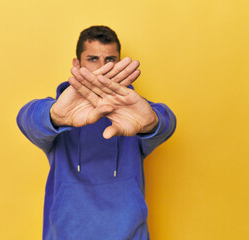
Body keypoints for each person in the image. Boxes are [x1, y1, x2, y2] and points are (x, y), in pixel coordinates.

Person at [16, 26, 176, 240]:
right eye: (92, 59)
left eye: (110, 60)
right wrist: (54, 115)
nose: (103, 68)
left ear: (119, 63)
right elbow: (26, 118)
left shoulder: (134, 113)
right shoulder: (61, 112)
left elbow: (166, 121)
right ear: (77, 64)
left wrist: (152, 123)